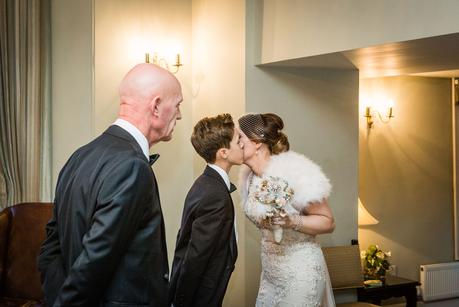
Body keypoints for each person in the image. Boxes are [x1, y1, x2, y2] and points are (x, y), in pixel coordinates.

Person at [37, 63, 183, 307]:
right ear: (156, 106)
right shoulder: (133, 166)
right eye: (177, 104)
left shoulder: (80, 155)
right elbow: (96, 259)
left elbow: (51, 245)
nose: (179, 114)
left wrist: (57, 297)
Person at [238, 113, 336, 307]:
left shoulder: (296, 172)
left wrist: (293, 221)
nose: (236, 142)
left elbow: (328, 222)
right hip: (270, 274)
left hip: (301, 272)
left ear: (257, 142)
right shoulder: (248, 178)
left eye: (239, 137)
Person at [169, 114, 243, 307]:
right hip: (201, 296)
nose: (243, 144)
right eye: (238, 140)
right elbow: (196, 256)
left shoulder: (206, 183)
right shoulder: (214, 194)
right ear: (223, 153)